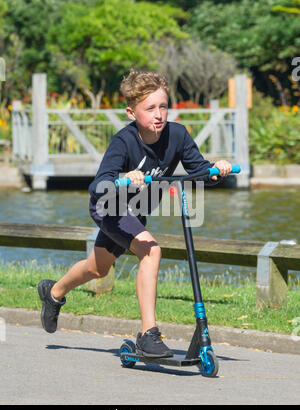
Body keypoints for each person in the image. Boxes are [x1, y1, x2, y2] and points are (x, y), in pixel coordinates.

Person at [38, 69, 232, 358]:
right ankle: (148, 334)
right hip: (110, 208)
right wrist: (124, 176)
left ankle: (53, 293)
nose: (159, 115)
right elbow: (98, 185)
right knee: (151, 251)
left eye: (163, 106)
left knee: (98, 268)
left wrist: (217, 169)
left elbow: (199, 171)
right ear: (131, 112)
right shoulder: (124, 141)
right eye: (150, 108)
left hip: (136, 212)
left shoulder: (177, 135)